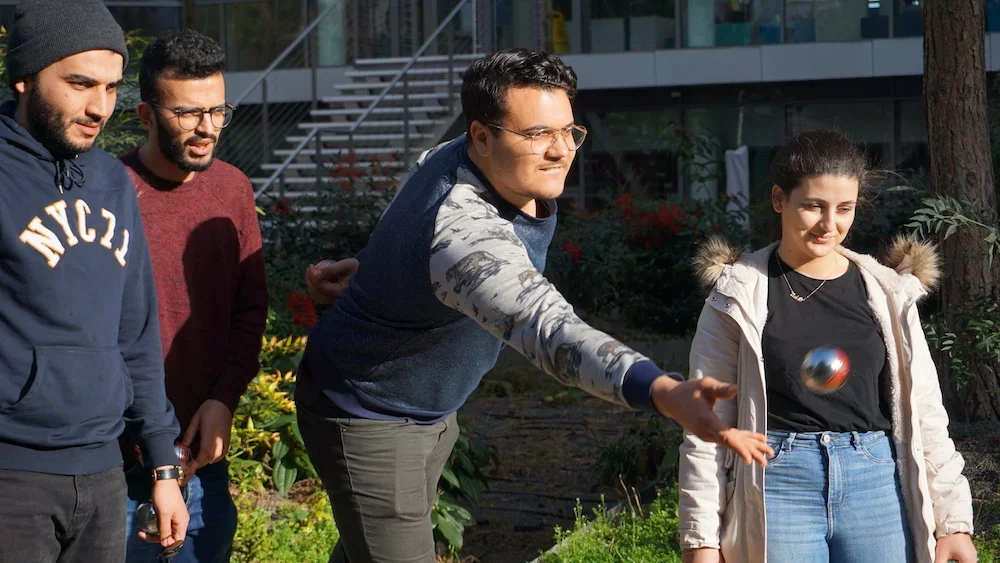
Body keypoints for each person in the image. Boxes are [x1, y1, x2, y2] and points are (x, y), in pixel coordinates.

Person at [297, 47, 772, 563]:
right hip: (367, 409)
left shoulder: (459, 154)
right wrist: (661, 390)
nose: (561, 150)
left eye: (569, 130)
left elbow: (414, 218)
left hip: (430, 406)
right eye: (537, 134)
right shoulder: (464, 235)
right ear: (482, 136)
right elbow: (551, 331)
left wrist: (373, 265)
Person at [679, 129, 976, 563]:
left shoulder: (889, 293)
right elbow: (705, 424)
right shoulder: (736, 294)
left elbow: (926, 414)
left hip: (876, 482)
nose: (829, 224)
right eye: (814, 206)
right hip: (776, 482)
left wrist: (953, 523)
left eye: (844, 209)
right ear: (780, 199)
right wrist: (701, 538)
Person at [0, 1, 188, 561]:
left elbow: (136, 333)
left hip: (105, 474)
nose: (100, 107)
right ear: (25, 79)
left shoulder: (109, 179)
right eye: (80, 84)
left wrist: (163, 465)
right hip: (12, 477)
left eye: (111, 88)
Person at [119, 29, 269, 563]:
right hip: (119, 467)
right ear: (144, 114)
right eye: (187, 114)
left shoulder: (232, 189)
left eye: (217, 111)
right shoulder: (110, 192)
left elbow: (250, 312)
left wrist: (223, 399)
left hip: (203, 460)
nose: (207, 129)